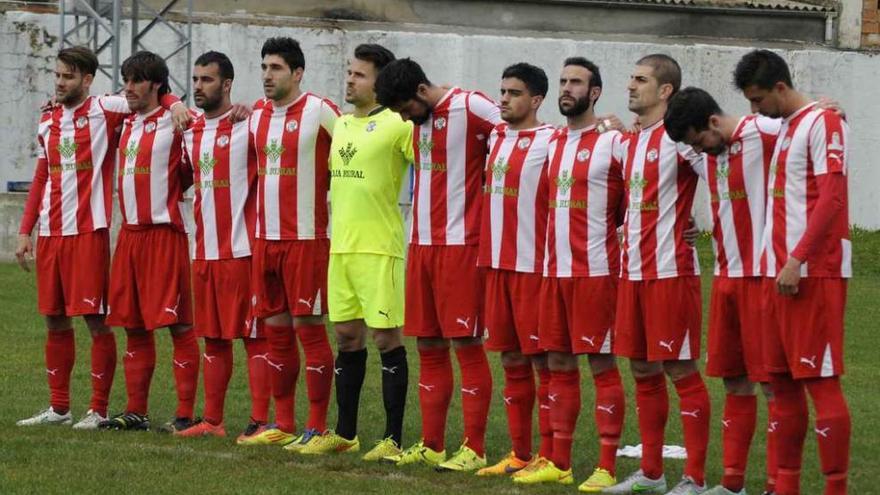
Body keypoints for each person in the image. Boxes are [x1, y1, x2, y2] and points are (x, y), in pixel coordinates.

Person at [14, 46, 164, 429]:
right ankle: (59, 407)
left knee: (96, 322)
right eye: (58, 75)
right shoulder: (48, 119)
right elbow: (41, 176)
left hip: (87, 233)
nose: (60, 82)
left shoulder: (106, 109)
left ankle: (97, 409)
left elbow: (151, 95)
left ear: (87, 80)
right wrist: (25, 230)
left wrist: (176, 103)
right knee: (54, 320)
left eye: (68, 76)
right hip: (50, 233)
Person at [733, 49, 851, 495]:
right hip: (776, 273)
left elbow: (832, 198)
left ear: (780, 88)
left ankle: (835, 488)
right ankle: (785, 487)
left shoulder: (823, 122)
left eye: (759, 99)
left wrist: (797, 259)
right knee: (780, 384)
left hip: (811, 272)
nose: (755, 110)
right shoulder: (786, 126)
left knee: (819, 381)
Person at [375, 58, 500, 471]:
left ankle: (475, 448)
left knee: (466, 344)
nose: (405, 118)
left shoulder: (472, 107)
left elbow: (520, 137)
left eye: (405, 109)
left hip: (462, 246)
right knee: (428, 343)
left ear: (421, 91)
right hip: (422, 244)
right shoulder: (418, 121)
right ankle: (432, 444)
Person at [511, 58, 627, 493]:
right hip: (551, 270)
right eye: (562, 81)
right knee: (557, 362)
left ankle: (606, 465)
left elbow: (641, 189)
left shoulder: (614, 140)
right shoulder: (553, 141)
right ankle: (558, 461)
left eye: (575, 82)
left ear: (594, 92)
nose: (566, 89)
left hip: (595, 272)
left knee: (601, 364)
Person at [293, 43, 411, 461]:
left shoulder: (400, 125)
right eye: (349, 72)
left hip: (379, 250)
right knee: (346, 337)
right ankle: (345, 434)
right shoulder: (341, 124)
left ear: (380, 81)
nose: (350, 79)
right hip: (340, 249)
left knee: (385, 338)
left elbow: (432, 162)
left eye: (359, 74)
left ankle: (393, 439)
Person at [664, 87, 781, 495]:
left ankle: (775, 485)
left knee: (772, 384)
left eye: (698, 141)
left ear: (714, 123)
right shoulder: (707, 152)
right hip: (726, 278)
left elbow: (814, 128)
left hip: (764, 278)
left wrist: (827, 107)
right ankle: (732, 485)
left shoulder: (764, 131)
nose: (697, 150)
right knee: (734, 380)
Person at [606, 54, 711, 495]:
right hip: (632, 272)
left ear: (665, 90)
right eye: (630, 77)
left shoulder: (682, 139)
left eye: (641, 79)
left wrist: (701, 224)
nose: (630, 86)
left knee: (681, 369)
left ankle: (696, 478)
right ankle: (651, 473)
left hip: (671, 271)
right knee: (644, 370)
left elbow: (723, 174)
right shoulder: (630, 141)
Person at [242, 37, 339, 448]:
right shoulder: (257, 115)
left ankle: (316, 426)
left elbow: (354, 150)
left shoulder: (321, 111)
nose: (267, 75)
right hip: (266, 240)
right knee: (275, 333)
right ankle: (281, 423)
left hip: (306, 240)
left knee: (310, 332)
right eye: (265, 67)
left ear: (298, 73)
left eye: (277, 68)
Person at [98, 51, 200, 432]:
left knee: (178, 324)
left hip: (164, 234)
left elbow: (195, 162)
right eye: (125, 80)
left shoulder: (177, 122)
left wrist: (174, 103)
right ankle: (136, 410)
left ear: (156, 84)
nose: (128, 88)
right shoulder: (124, 119)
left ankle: (185, 413)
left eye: (136, 81)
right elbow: (90, 100)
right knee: (134, 326)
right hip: (129, 236)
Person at [173, 51, 272, 440]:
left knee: (254, 336)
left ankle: (261, 420)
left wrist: (258, 108)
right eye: (195, 79)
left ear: (227, 84)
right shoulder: (191, 131)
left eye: (207, 80)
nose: (198, 86)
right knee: (212, 338)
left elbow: (278, 113)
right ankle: (212, 421)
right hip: (206, 250)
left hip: (243, 250)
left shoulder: (249, 125)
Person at [472, 62, 554, 477]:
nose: (503, 99)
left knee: (543, 364)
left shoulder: (553, 140)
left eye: (514, 93)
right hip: (496, 266)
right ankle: (520, 453)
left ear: (536, 101)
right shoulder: (497, 136)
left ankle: (550, 455)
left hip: (533, 268)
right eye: (502, 91)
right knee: (511, 361)